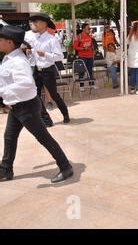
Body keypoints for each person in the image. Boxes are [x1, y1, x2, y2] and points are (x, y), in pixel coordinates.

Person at [0, 25, 73, 183]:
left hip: (26, 107)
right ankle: (5, 170)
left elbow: (26, 82)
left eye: (1, 39)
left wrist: (3, 91)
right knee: (9, 137)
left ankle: (65, 167)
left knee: (43, 138)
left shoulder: (18, 61)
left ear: (10, 42)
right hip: (17, 105)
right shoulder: (8, 58)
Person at [26, 13, 70, 126]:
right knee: (35, 95)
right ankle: (46, 119)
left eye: (36, 22)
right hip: (36, 70)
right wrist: (29, 53)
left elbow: (60, 56)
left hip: (47, 71)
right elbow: (32, 55)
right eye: (33, 22)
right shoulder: (33, 38)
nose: (34, 24)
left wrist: (46, 54)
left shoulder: (52, 39)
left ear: (44, 24)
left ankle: (65, 114)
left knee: (54, 95)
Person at [73, 23, 96, 91]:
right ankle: (81, 86)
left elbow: (91, 45)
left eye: (90, 28)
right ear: (83, 29)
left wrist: (93, 50)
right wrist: (83, 48)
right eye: (88, 28)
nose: (89, 30)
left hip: (90, 56)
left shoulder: (89, 36)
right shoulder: (79, 36)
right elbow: (75, 47)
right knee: (81, 71)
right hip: (82, 56)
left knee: (90, 71)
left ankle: (91, 84)